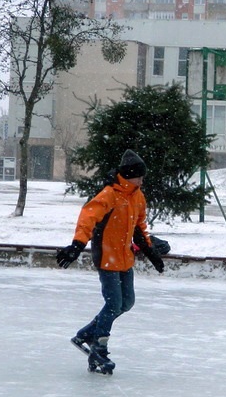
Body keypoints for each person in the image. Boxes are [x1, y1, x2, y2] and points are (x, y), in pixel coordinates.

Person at [55, 150, 166, 374]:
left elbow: (139, 228)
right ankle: (99, 347)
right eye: (140, 177)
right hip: (106, 257)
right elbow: (87, 217)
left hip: (125, 258)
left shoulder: (137, 196)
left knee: (127, 303)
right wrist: (77, 245)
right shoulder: (109, 194)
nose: (142, 181)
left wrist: (151, 252)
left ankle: (86, 334)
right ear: (129, 175)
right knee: (114, 303)